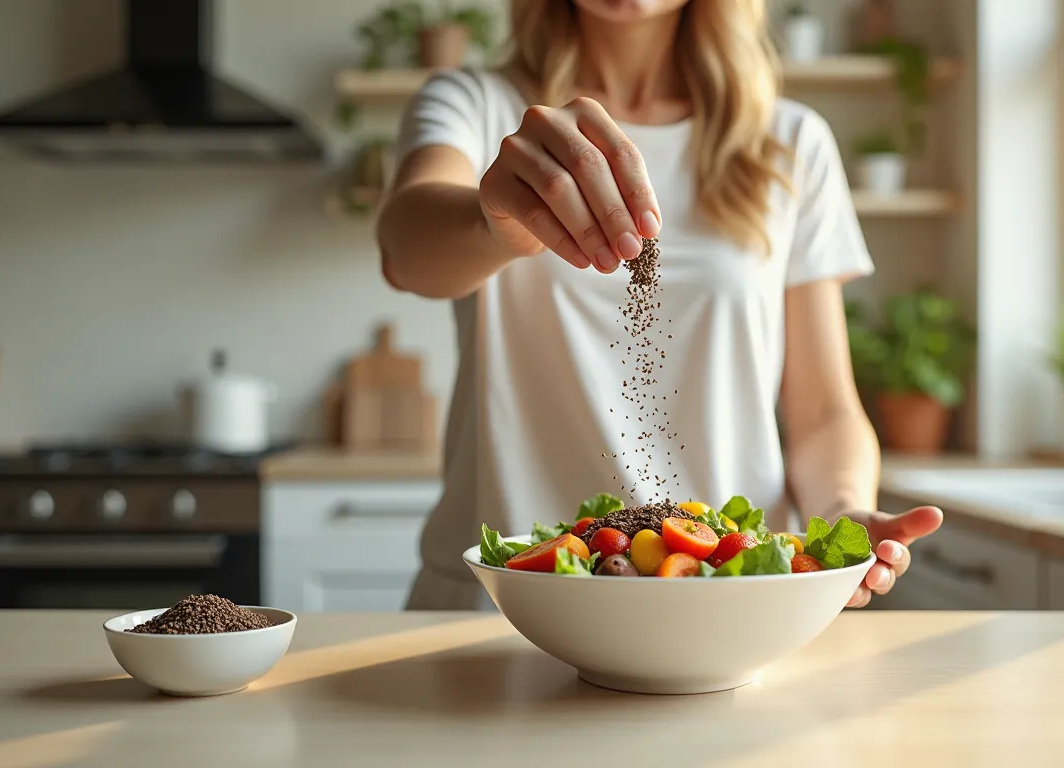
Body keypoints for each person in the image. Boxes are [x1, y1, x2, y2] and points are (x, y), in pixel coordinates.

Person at [379, 0, 944, 611]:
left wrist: (842, 518)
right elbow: (406, 251)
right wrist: (496, 222)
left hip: (725, 607)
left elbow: (825, 413)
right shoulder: (476, 104)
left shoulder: (790, 140)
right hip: (498, 611)